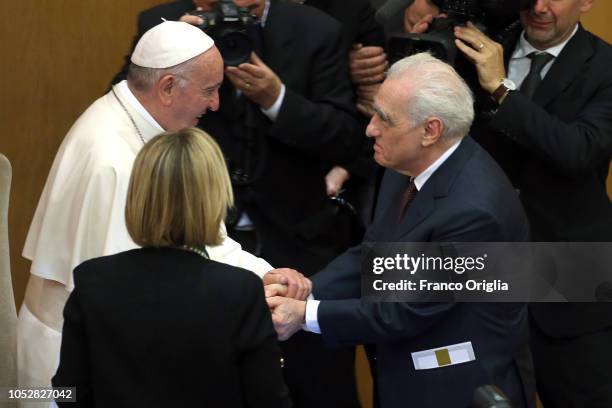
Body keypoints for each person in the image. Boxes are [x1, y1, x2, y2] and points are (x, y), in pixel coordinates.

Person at [18, 21, 308, 399]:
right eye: (209, 90)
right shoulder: (113, 158)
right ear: (168, 87)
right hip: (73, 375)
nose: (215, 104)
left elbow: (202, 246)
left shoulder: (138, 125)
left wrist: (269, 277)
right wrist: (257, 295)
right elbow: (140, 293)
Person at [113, 2, 363, 407]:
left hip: (298, 246)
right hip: (196, 247)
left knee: (317, 388)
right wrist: (168, 53)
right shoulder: (161, 22)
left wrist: (278, 99)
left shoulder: (318, 31)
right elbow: (126, 107)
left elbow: (348, 140)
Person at [266, 53, 535, 408]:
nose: (370, 128)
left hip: (456, 388)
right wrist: (308, 288)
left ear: (430, 130)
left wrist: (304, 315)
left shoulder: (474, 212)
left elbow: (404, 310)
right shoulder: (405, 164)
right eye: (375, 111)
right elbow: (376, 255)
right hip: (405, 371)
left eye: (385, 119)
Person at [51, 128, 292, 408]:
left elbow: (68, 393)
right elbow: (269, 400)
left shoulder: (92, 281)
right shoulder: (240, 291)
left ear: (139, 196)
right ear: (214, 198)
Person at [452, 1, 612, 406]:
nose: (539, 7)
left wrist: (502, 89)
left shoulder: (606, 66)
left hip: (571, 286)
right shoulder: (477, 50)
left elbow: (578, 151)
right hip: (484, 276)